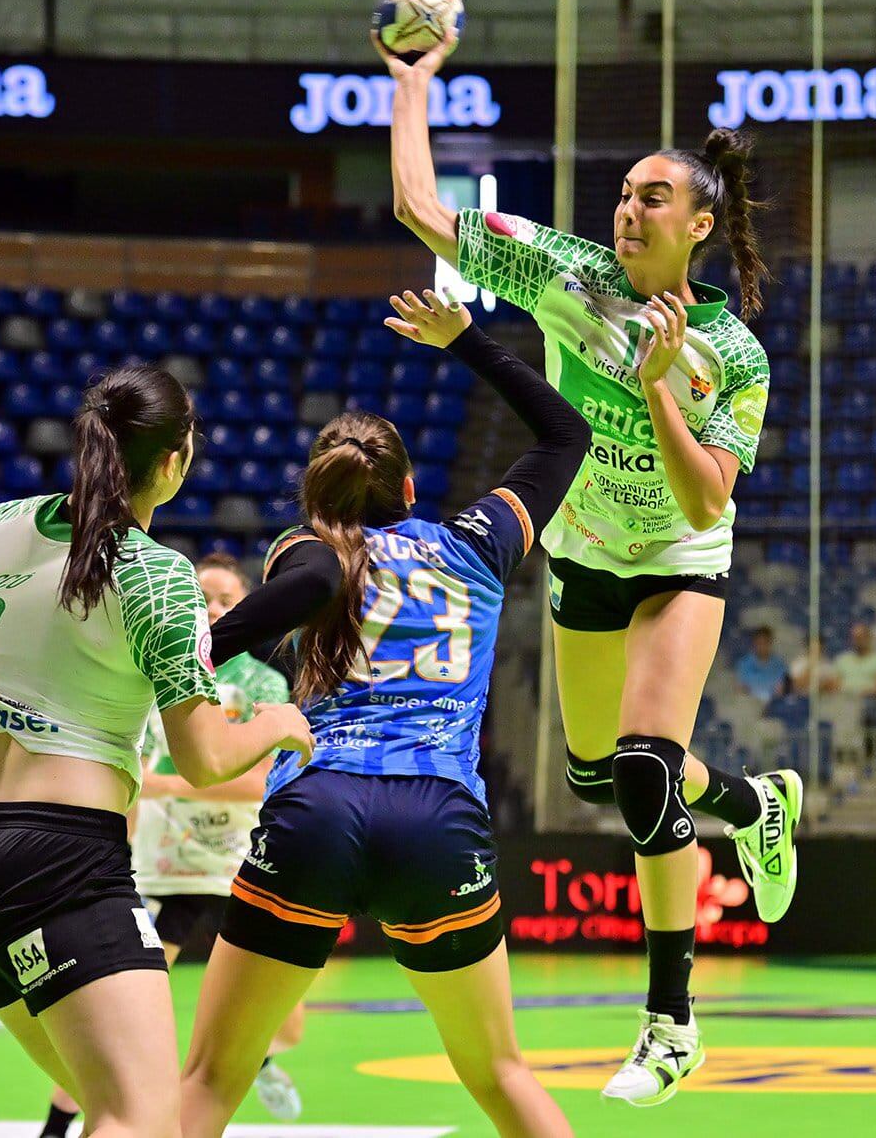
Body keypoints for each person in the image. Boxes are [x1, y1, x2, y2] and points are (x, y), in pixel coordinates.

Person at [379, 28, 803, 1105]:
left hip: (678, 556)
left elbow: (710, 494)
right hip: (585, 553)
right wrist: (413, 87)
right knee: (595, 777)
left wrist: (659, 382)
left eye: (654, 197)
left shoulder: (734, 354)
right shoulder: (563, 271)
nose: (629, 208)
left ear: (699, 225)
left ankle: (671, 1020)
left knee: (649, 771)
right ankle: (755, 805)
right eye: (624, 191)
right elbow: (422, 211)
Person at [180, 292, 586, 1138]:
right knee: (500, 1074)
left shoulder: (302, 550)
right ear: (406, 485)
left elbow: (292, 595)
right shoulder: (477, 541)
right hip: (436, 818)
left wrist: (193, 652)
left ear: (318, 492)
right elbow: (564, 436)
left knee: (211, 1080)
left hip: (318, 804)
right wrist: (466, 340)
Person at [0, 365, 313, 1138]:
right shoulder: (156, 573)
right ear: (176, 459)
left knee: (112, 1106)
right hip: (61, 863)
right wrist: (280, 720)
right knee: (142, 1118)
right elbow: (203, 757)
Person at [38, 554, 305, 1138]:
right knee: (125, 1018)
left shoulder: (266, 684)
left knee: (289, 1025)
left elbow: (254, 783)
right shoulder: (159, 670)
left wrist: (171, 782)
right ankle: (56, 1125)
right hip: (167, 865)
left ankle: (259, 1057)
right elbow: (134, 773)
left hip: (239, 861)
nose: (214, 608)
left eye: (228, 599)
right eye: (204, 597)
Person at [833, 621, 876, 762]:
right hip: (844, 702)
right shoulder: (842, 660)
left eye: (861, 637)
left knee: (866, 708)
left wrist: (857, 692)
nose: (858, 641)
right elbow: (834, 685)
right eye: (855, 637)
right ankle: (840, 754)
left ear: (869, 637)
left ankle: (869, 756)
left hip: (871, 703)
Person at [735, 626, 788, 704]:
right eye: (759, 643)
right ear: (754, 643)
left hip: (774, 704)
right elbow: (740, 689)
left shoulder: (780, 664)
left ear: (770, 643)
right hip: (749, 704)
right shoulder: (744, 664)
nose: (762, 646)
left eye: (765, 642)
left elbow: (782, 690)